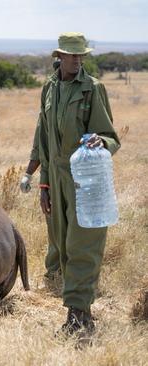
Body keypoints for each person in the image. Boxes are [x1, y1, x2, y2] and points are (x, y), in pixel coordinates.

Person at [37, 32, 120, 337]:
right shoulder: (50, 87)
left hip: (85, 177)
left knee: (83, 243)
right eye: (70, 55)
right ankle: (73, 301)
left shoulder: (92, 88)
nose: (76, 60)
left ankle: (79, 315)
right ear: (58, 56)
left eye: (80, 55)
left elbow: (111, 137)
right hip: (56, 176)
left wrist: (102, 142)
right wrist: (43, 185)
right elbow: (43, 138)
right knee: (61, 242)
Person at [20, 123, 60, 292]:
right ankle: (54, 275)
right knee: (54, 229)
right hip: (51, 178)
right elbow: (39, 149)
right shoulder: (47, 106)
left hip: (77, 178)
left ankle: (77, 275)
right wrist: (28, 175)